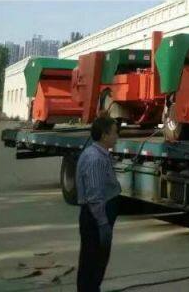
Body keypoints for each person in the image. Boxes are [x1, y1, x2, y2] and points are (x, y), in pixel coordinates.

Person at [76, 115, 121, 292]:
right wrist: (103, 223)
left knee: (93, 261)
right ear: (104, 135)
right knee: (94, 262)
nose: (117, 136)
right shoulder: (96, 159)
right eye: (115, 133)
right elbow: (95, 196)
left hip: (96, 215)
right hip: (95, 217)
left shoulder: (97, 154)